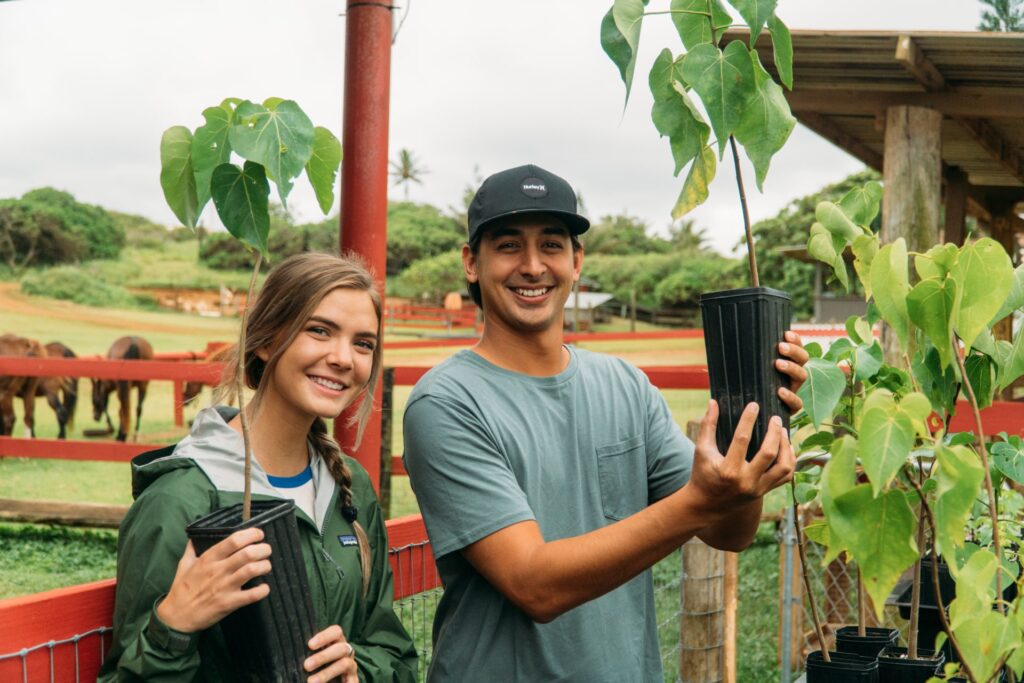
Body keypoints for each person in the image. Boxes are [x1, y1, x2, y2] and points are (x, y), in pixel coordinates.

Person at [403, 164, 809, 681]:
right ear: (471, 263)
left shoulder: (626, 386)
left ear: (576, 261)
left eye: (551, 245)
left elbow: (729, 530)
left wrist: (754, 433)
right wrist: (699, 500)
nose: (532, 266)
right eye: (508, 245)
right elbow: (534, 585)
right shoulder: (447, 402)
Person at [100, 252, 417, 683]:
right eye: (319, 330)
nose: (344, 358)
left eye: (363, 343)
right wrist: (172, 627)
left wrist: (358, 670)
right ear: (266, 341)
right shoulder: (180, 497)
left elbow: (392, 652)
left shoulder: (352, 488)